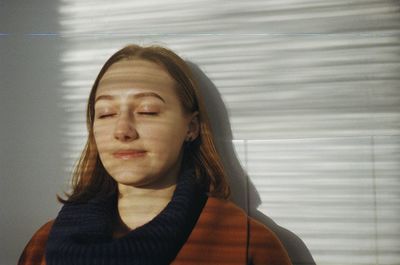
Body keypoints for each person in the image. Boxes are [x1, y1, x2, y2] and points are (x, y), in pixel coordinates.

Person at [18, 44, 292, 265]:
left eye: (147, 111)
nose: (122, 130)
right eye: (106, 113)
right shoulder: (43, 246)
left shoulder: (245, 246)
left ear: (192, 127)